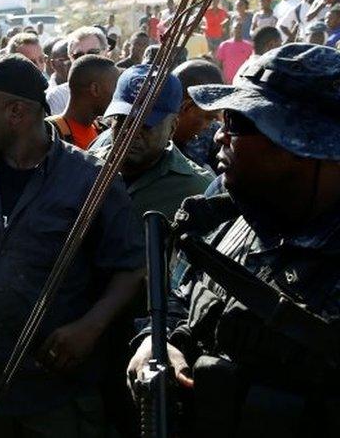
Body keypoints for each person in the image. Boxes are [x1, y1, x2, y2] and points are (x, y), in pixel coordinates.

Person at [126, 43, 340, 436]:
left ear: (301, 144)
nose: (219, 135)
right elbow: (178, 296)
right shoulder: (225, 218)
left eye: (237, 123)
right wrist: (158, 343)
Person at [0, 54, 145, 437]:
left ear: (16, 112)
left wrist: (90, 326)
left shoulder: (90, 179)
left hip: (58, 394)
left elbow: (131, 268)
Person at [92, 65, 214, 219]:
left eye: (145, 124)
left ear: (172, 127)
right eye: (123, 119)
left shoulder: (196, 189)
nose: (131, 132)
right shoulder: (85, 166)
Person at [47, 55, 118, 150]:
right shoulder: (50, 134)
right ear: (95, 89)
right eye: (116, 87)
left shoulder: (102, 130)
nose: (118, 95)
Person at [171, 59, 224, 171]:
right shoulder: (148, 138)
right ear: (186, 107)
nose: (209, 125)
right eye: (209, 117)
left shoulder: (214, 135)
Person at [215, 19, 253, 83]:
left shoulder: (249, 46)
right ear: (232, 29)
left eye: (240, 28)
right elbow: (219, 65)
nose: (238, 30)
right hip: (227, 82)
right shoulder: (224, 45)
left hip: (242, 81)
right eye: (236, 28)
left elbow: (251, 64)